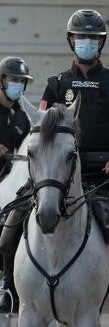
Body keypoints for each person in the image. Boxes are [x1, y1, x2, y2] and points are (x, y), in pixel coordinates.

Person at [38, 9, 109, 220]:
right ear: (71, 40)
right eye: (81, 36)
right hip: (62, 172)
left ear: (101, 42)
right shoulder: (56, 84)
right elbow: (40, 131)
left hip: (104, 173)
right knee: (16, 218)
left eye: (93, 37)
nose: (87, 41)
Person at [0, 56, 33, 312]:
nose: (17, 85)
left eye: (21, 81)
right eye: (14, 79)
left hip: (14, 180)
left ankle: (10, 287)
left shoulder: (23, 116)